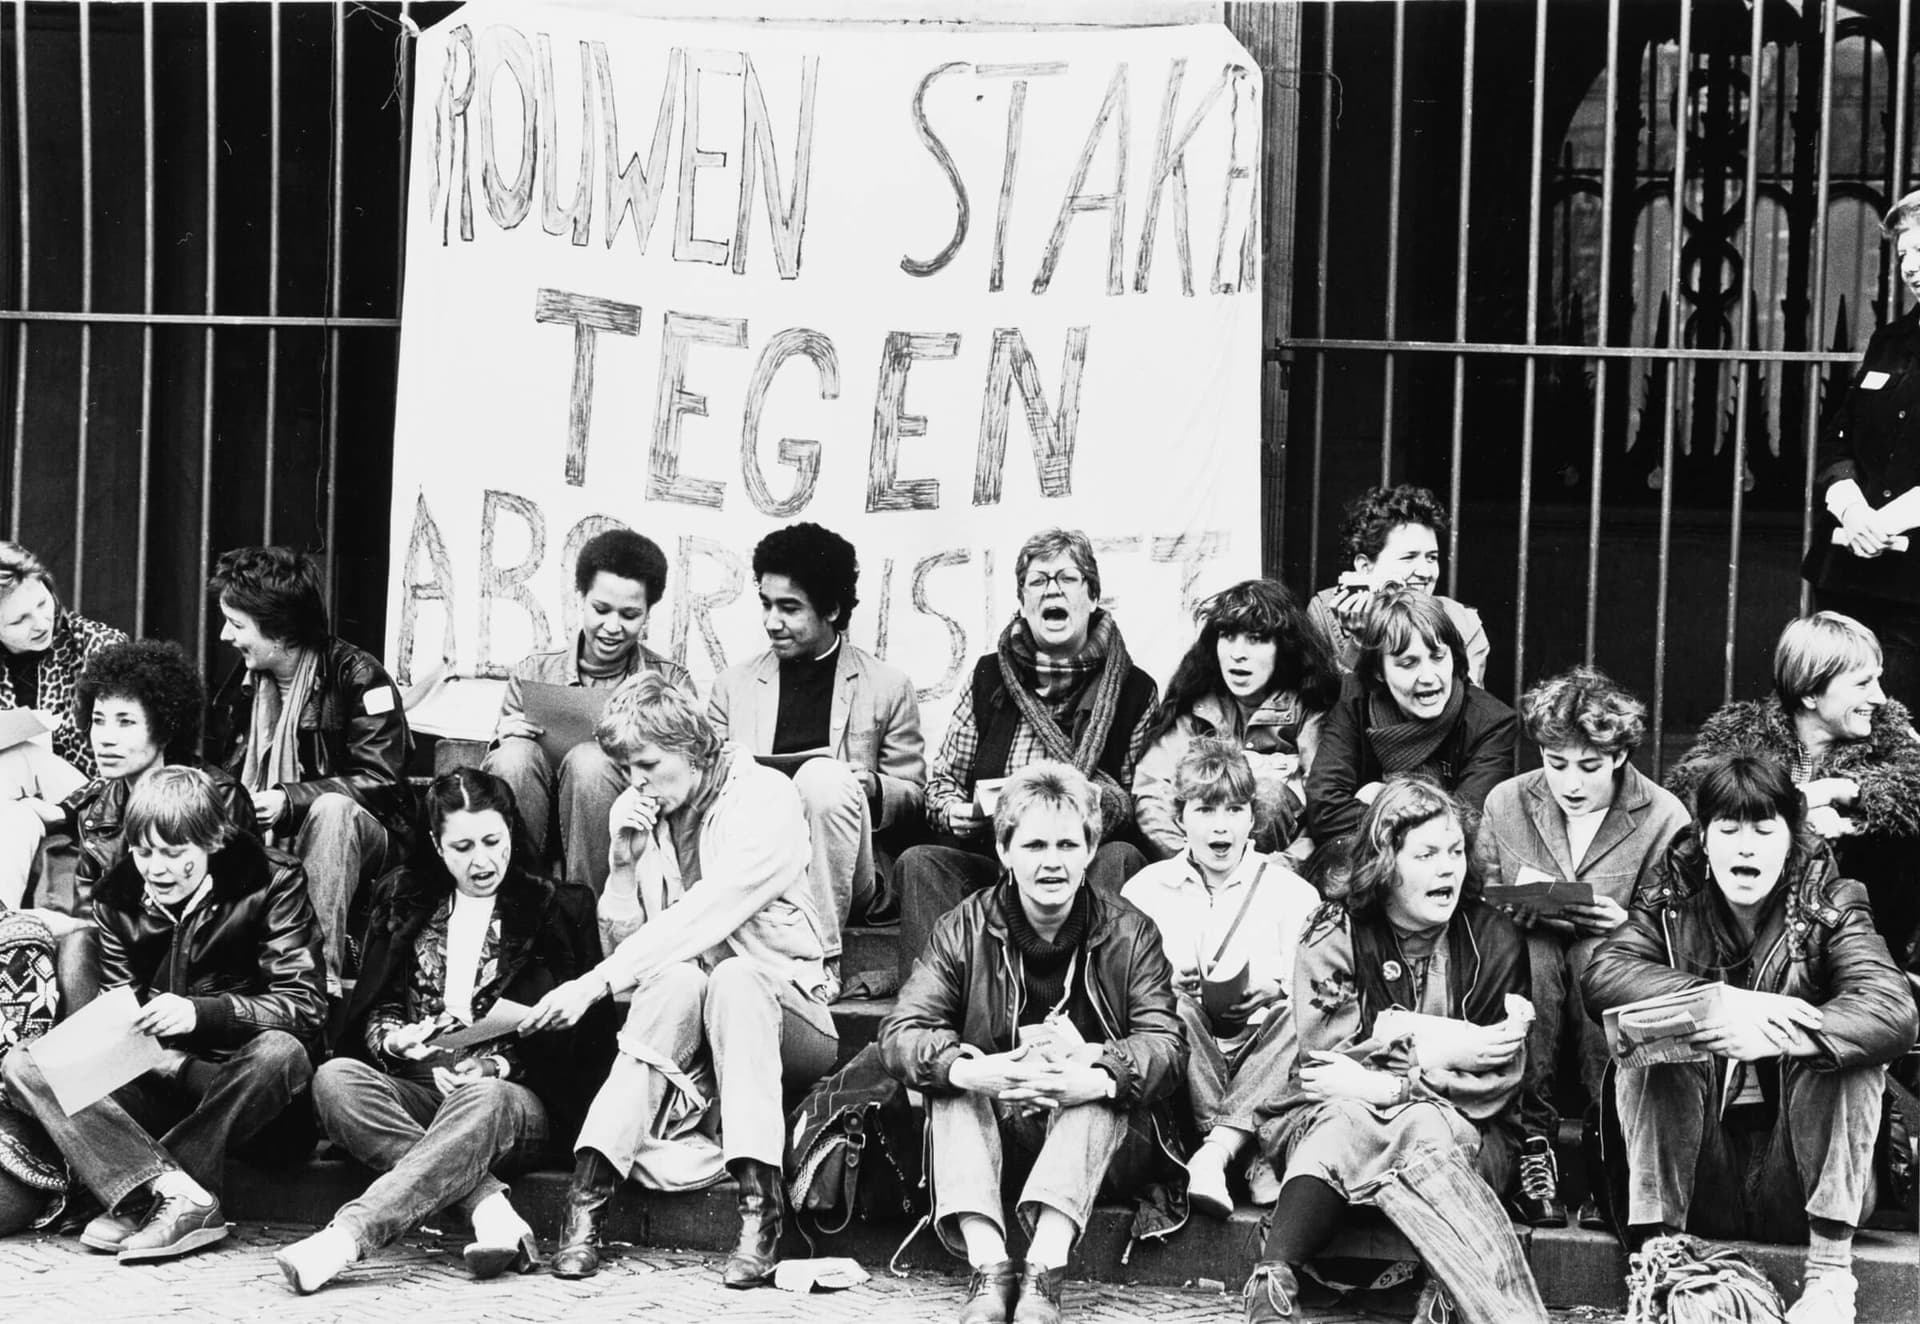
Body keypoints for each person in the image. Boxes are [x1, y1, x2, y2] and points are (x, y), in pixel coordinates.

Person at [517, 673, 838, 1289]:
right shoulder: (642, 809)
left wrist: (591, 984)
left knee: (738, 978)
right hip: (692, 1030)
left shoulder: (768, 799)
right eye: (625, 767)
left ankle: (758, 1212)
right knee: (671, 986)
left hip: (786, 1016)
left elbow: (706, 914)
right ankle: (586, 1202)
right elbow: (634, 956)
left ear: (691, 747)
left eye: (647, 763)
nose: (636, 781)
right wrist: (619, 867)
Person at [1582, 755, 1918, 1324]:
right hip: (1699, 1175)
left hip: (1800, 1177)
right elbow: (1605, 975)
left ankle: (1831, 1279)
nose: (1747, 847)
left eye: (1765, 831)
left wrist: (1780, 1038)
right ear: (1704, 840)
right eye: (1729, 830)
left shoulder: (1831, 902)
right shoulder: (1669, 898)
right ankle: (1661, 1264)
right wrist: (1729, 1005)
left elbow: (1893, 1010)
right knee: (1647, 1045)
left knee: (1845, 1053)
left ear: (1790, 840)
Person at [880, 761, 1185, 1324]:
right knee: (952, 1078)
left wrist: (1095, 1073)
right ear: (1004, 851)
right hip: (996, 1129)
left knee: (1098, 1091)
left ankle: (1045, 1270)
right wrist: (973, 1070)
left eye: (1069, 844)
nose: (1052, 861)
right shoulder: (962, 928)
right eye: (1036, 844)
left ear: (1091, 851)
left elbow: (1166, 1043)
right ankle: (990, 1269)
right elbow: (902, 1033)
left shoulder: (1130, 930)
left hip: (1099, 1143)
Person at [1242, 777, 1547, 1324]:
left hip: (1470, 1126)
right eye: (1427, 854)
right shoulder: (1333, 929)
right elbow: (1329, 1057)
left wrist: (1392, 1081)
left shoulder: (1495, 937)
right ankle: (1274, 1281)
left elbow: (1498, 1073)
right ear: (1386, 863)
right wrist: (1446, 1049)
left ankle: (1444, 1291)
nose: (1449, 868)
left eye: (1455, 852)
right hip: (1335, 1111)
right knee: (1346, 1117)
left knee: (1424, 1122)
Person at [274, 769, 591, 1294]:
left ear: (512, 829)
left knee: (486, 1098)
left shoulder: (558, 905)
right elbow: (379, 1005)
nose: (482, 860)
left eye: (493, 841)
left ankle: (346, 1238)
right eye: (462, 847)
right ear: (437, 847)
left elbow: (579, 1038)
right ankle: (489, 1206)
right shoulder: (404, 897)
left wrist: (495, 1065)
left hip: (513, 1100)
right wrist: (394, 1038)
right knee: (334, 1079)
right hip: (421, 1085)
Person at [0, 766, 326, 1263]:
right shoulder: (117, 898)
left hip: (246, 1091)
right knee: (26, 1063)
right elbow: (118, 1023)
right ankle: (175, 1192)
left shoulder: (272, 880)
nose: (158, 869)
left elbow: (305, 1005)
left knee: (283, 1051)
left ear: (212, 842)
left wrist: (202, 1014)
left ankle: (140, 1193)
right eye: (145, 852)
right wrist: (130, 1045)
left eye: (176, 854)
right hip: (160, 1081)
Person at [1472, 666, 1688, 1229]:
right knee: (1536, 956)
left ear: (1618, 757)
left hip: (1614, 960)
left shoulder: (1664, 814)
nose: (1570, 782)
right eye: (1554, 763)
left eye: (1589, 767)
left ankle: (1606, 1149)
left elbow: (1680, 924)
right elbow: (1480, 896)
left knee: (1599, 960)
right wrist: (1515, 904)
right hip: (1530, 956)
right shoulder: (1507, 802)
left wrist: (1627, 920)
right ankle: (1532, 1146)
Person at [897, 529, 1159, 984]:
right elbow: (941, 784)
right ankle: (929, 1015)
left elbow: (1146, 802)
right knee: (920, 863)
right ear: (1022, 602)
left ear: (1092, 596)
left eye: (1067, 578)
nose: (1052, 590)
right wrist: (956, 813)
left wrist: (1095, 805)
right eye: (1038, 581)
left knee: (1119, 859)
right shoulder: (987, 677)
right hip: (998, 860)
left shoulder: (1136, 690)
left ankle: (1093, 1001)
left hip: (1080, 860)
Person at [708, 522, 925, 962]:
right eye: (766, 605)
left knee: (824, 780)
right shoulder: (734, 686)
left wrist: (872, 787)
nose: (772, 622)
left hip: (845, 872)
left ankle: (818, 960)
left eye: (789, 608)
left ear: (830, 608)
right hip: (757, 860)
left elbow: (916, 799)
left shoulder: (887, 685)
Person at [1121, 739, 1320, 1219]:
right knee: (1167, 1006)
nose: (1220, 825)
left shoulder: (1292, 892)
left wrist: (1276, 989)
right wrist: (1164, 983)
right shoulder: (1145, 890)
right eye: (1205, 809)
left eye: (1234, 809)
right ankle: (1245, 1150)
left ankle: (1213, 1156)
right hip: (1185, 1069)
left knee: (1297, 1013)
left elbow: (1321, 990)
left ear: (1252, 817)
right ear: (1180, 816)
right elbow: (1120, 990)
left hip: (1264, 1055)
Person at [206, 545, 414, 994]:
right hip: (275, 842)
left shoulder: (358, 675)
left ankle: (313, 984)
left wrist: (288, 800)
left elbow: (381, 781)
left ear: (279, 628)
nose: (225, 636)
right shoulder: (243, 687)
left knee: (332, 811)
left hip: (367, 841)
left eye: (237, 625)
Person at [6, 641, 253, 1011]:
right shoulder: (99, 803)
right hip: (119, 969)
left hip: (198, 982)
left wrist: (67, 927)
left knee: (75, 943)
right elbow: (95, 918)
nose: (105, 738)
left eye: (126, 722)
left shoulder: (217, 797)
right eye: (99, 720)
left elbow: (220, 919)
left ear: (166, 728)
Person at [1666, 611, 1920, 962]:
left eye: (1878, 680)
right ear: (1810, 693)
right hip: (1744, 941)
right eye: (1862, 684)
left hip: (1855, 944)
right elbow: (1690, 796)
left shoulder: (1893, 738)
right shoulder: (1740, 734)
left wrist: (1841, 792)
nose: (1879, 697)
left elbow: (1910, 790)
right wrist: (1797, 813)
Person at [483, 529, 691, 896]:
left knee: (590, 763)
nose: (612, 627)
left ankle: (587, 923)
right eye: (601, 610)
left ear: (647, 614)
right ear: (580, 598)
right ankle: (516, 909)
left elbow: (688, 774)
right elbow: (502, 777)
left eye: (629, 615)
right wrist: (504, 738)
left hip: (623, 830)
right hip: (537, 822)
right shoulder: (533, 672)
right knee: (513, 756)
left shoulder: (669, 680)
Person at [1801, 189, 1920, 701]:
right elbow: (1837, 440)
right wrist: (1852, 511)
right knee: (1830, 724)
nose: (1911, 267)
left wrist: (1885, 523)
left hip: (1913, 588)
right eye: (1903, 254)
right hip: (1848, 574)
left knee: (1898, 734)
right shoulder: (1891, 341)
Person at [1132, 579, 1342, 863]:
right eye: (1228, 636)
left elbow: (1325, 810)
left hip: (1276, 871)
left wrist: (1284, 867)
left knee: (1266, 796)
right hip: (1197, 864)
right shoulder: (1196, 705)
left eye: (1256, 639)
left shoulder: (1310, 709)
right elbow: (1152, 793)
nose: (1237, 653)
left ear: (1283, 648)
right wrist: (1189, 862)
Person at [1302, 587, 1518, 852]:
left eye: (1438, 657)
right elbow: (1324, 811)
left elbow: (1463, 826)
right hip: (1366, 862)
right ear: (1379, 672)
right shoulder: (1355, 699)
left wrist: (1382, 797)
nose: (1428, 677)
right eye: (1408, 663)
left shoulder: (1492, 723)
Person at [0, 540, 127, 904]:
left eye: (42, 603)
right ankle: (7, 929)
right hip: (17, 805)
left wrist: (64, 808)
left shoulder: (98, 647)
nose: (41, 622)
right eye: (19, 619)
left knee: (15, 756)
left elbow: (132, 754)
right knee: (19, 817)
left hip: (91, 800)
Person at [1305, 485, 1490, 686]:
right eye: (1409, 557)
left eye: (1432, 558)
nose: (1425, 572)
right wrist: (1359, 644)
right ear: (1365, 566)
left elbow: (1470, 711)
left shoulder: (1464, 623)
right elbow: (1328, 708)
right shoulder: (1326, 612)